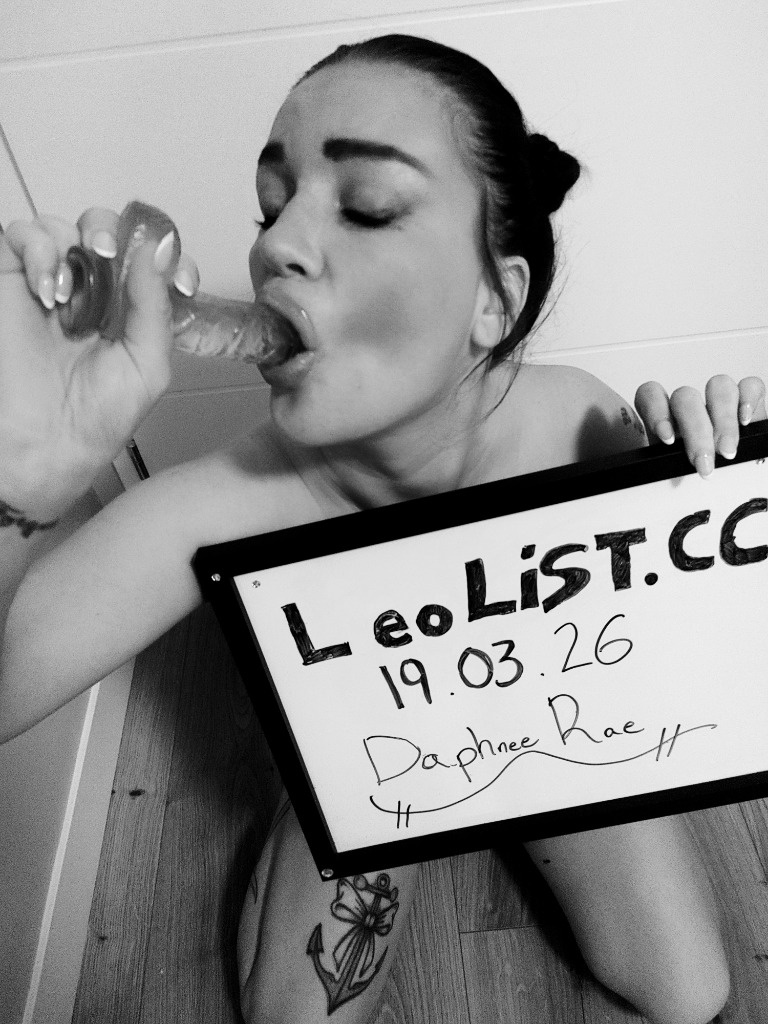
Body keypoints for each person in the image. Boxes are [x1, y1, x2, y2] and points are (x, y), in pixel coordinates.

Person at [0, 33, 763, 1024]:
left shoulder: (580, 425)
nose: (273, 248)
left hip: (545, 724)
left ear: (495, 299)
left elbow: (682, 640)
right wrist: (23, 475)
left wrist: (713, 481)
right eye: (271, 207)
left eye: (364, 206)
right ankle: (308, 781)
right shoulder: (237, 499)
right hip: (377, 752)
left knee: (691, 993)